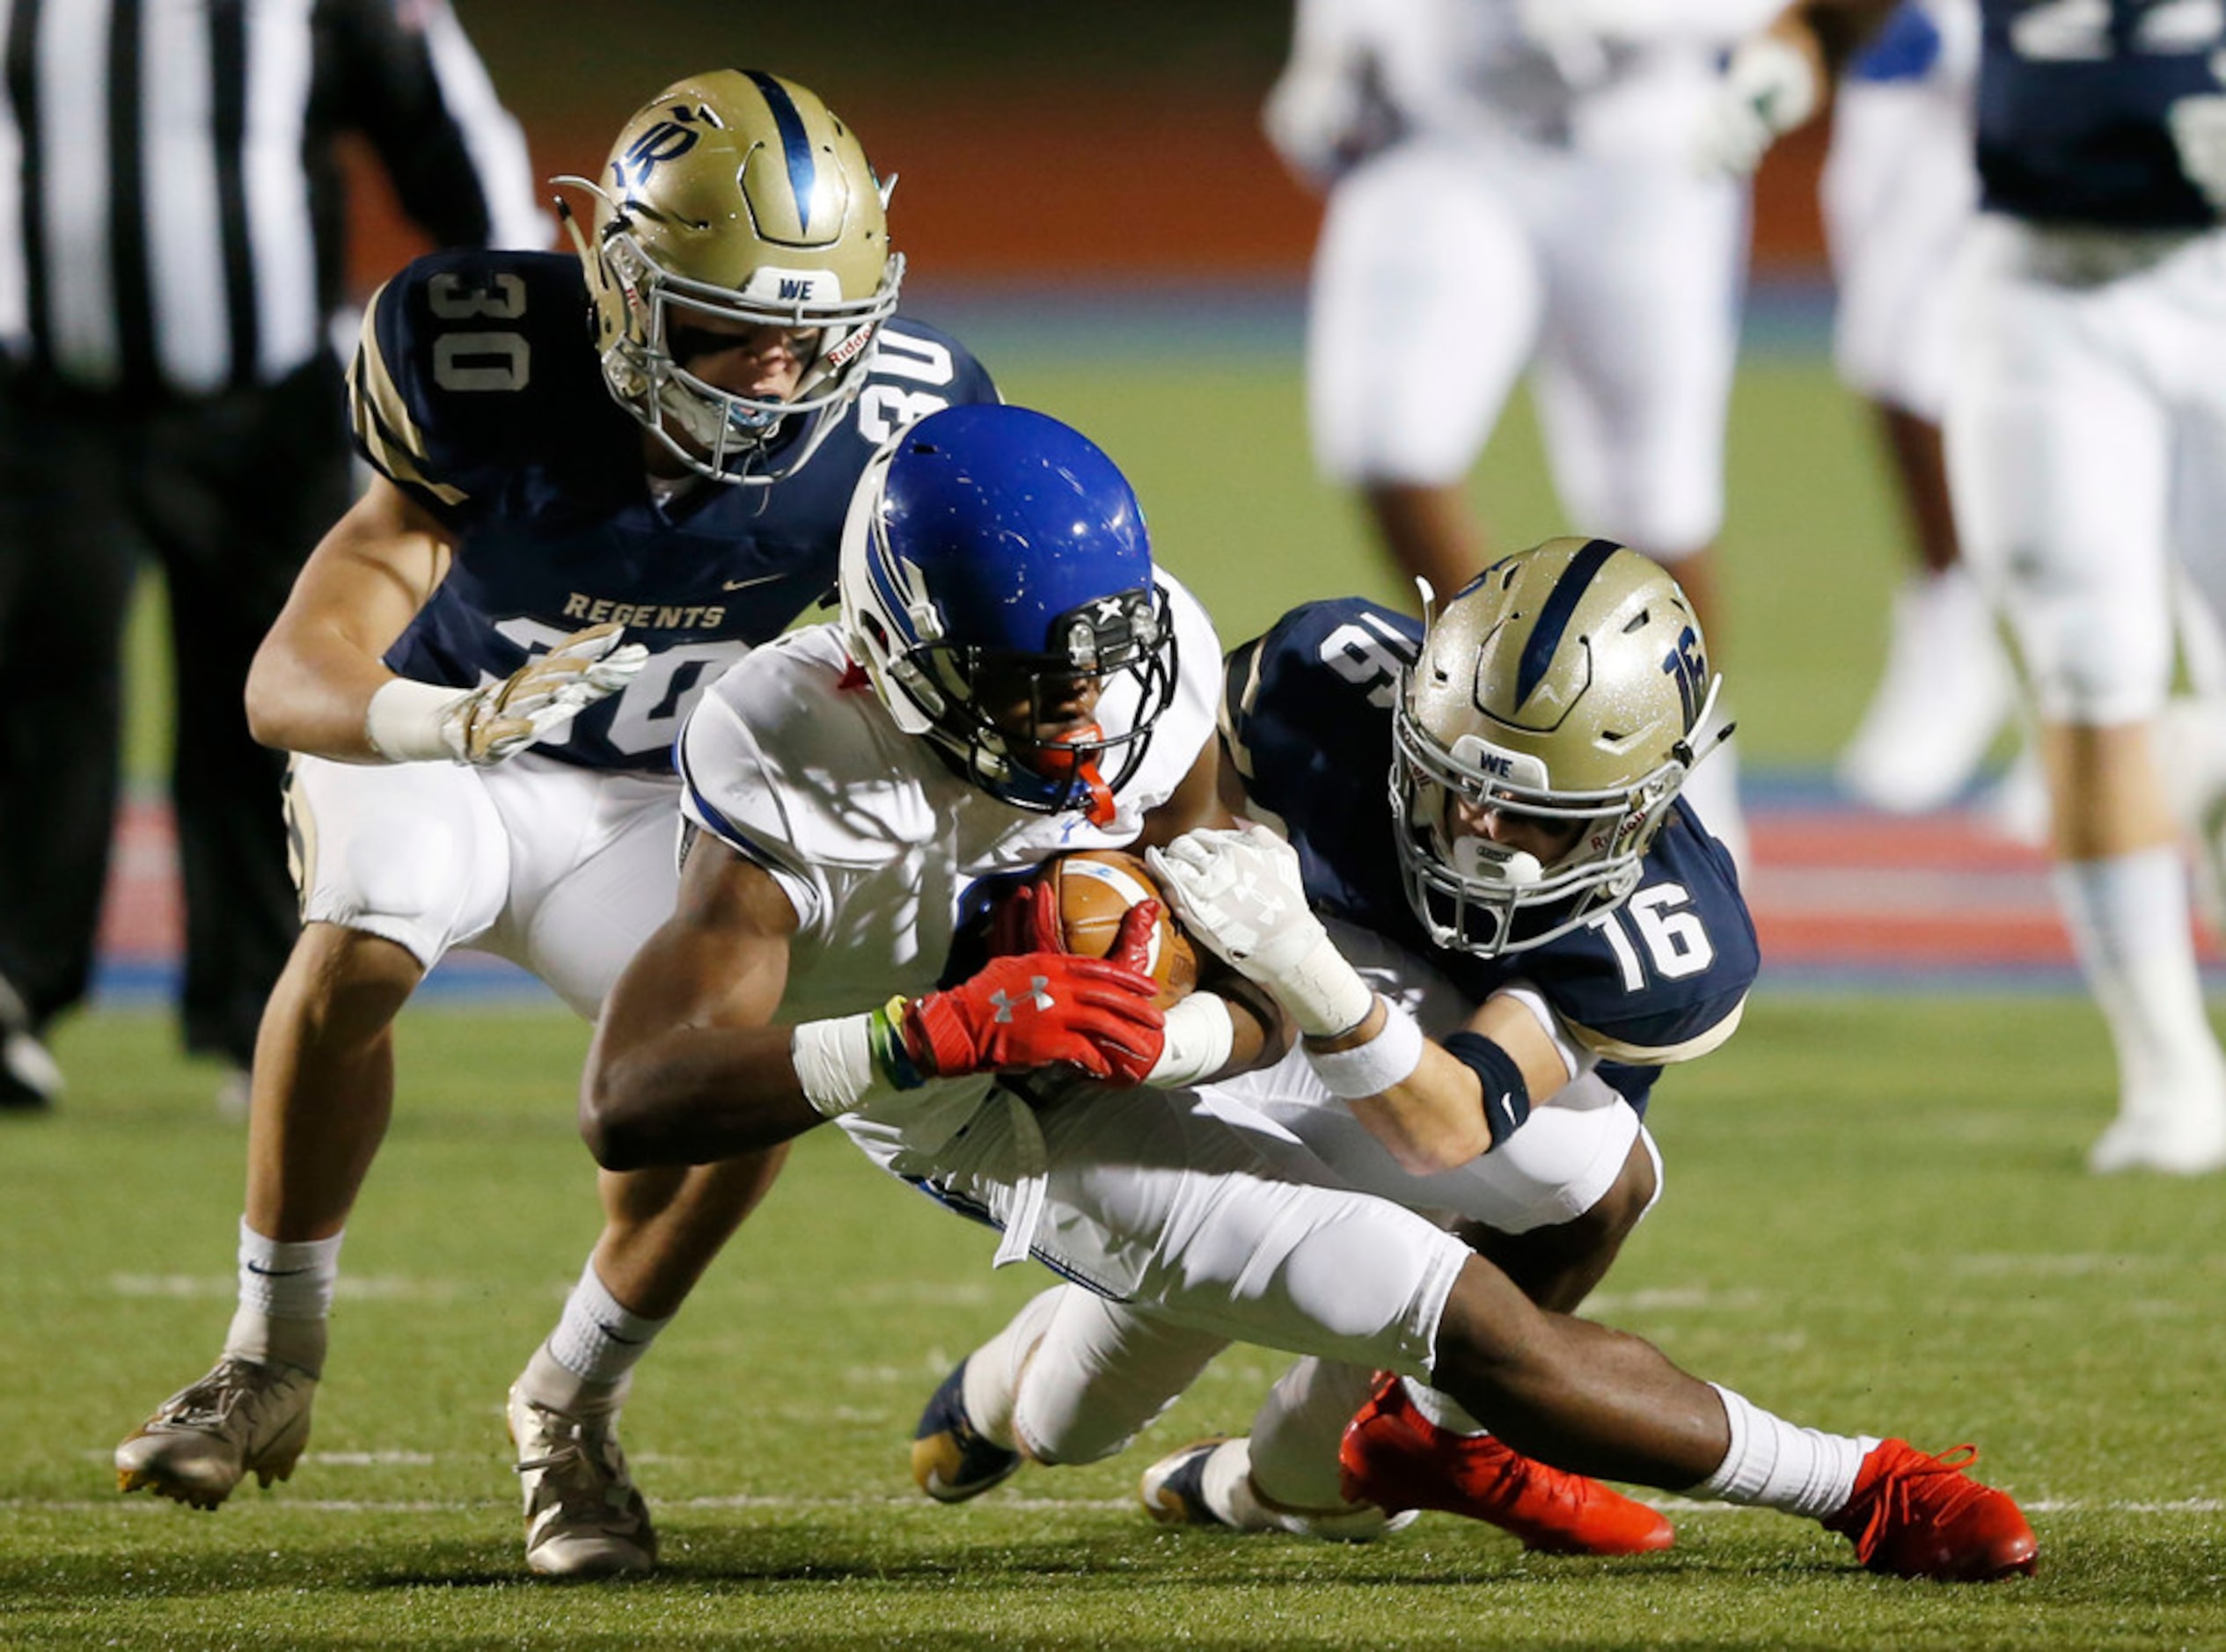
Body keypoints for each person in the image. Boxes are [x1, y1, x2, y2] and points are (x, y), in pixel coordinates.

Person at [580, 413, 2039, 1584]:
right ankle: (1852, 1482)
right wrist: (945, 1026)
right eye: (1036, 686)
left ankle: (1363, 1457)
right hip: (969, 1092)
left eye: (1103, 665)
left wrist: (1185, 1016)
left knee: (1592, 1172)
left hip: (1228, 1025)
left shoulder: (1161, 671)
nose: (1088, 715)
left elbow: (1318, 1035)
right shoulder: (793, 732)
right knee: (1105, 1407)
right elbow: (634, 1100)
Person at [112, 69, 999, 1579]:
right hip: (446, 746)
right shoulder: (481, 356)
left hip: (656, 797)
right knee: (368, 936)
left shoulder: (908, 421)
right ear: (611, 278)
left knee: (738, 1067)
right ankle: (270, 1352)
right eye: (724, 331)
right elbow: (288, 672)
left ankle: (571, 1405)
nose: (771, 381)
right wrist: (435, 718)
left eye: (808, 340)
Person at [910, 538, 1744, 1555]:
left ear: (1635, 807)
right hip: (1265, 1030)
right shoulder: (1326, 677)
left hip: (1454, 1130)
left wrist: (1306, 962)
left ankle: (1275, 1477)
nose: (1478, 826)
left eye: (1529, 816)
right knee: (1069, 1422)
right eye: (1455, 782)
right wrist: (1135, 938)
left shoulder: (1670, 931)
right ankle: (1011, 1396)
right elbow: (1173, 809)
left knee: (1593, 1192)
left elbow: (1447, 1127)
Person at [0, 0, 546, 1112]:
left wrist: (529, 329)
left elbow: (445, 135)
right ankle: (15, 982)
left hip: (270, 408)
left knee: (277, 697)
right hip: (50, 398)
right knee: (42, 684)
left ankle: (263, 1006)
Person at [1715, 0, 2226, 1177]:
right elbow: (1845, 17)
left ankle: (2190, 762)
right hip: (2042, 291)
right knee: (2087, 667)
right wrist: (1772, 78)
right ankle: (2166, 1067)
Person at [1261, 0, 1768, 866]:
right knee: (1387, 437)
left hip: (1636, 132)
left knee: (1651, 490)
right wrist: (1333, 40)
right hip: (1441, 128)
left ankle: (1680, 770)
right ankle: (1513, 703)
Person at [1814, 0, 2021, 815]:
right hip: (1897, 88)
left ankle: (2047, 677)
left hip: (2032, 56)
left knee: (1942, 356)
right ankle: (1959, 633)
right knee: (1884, 345)